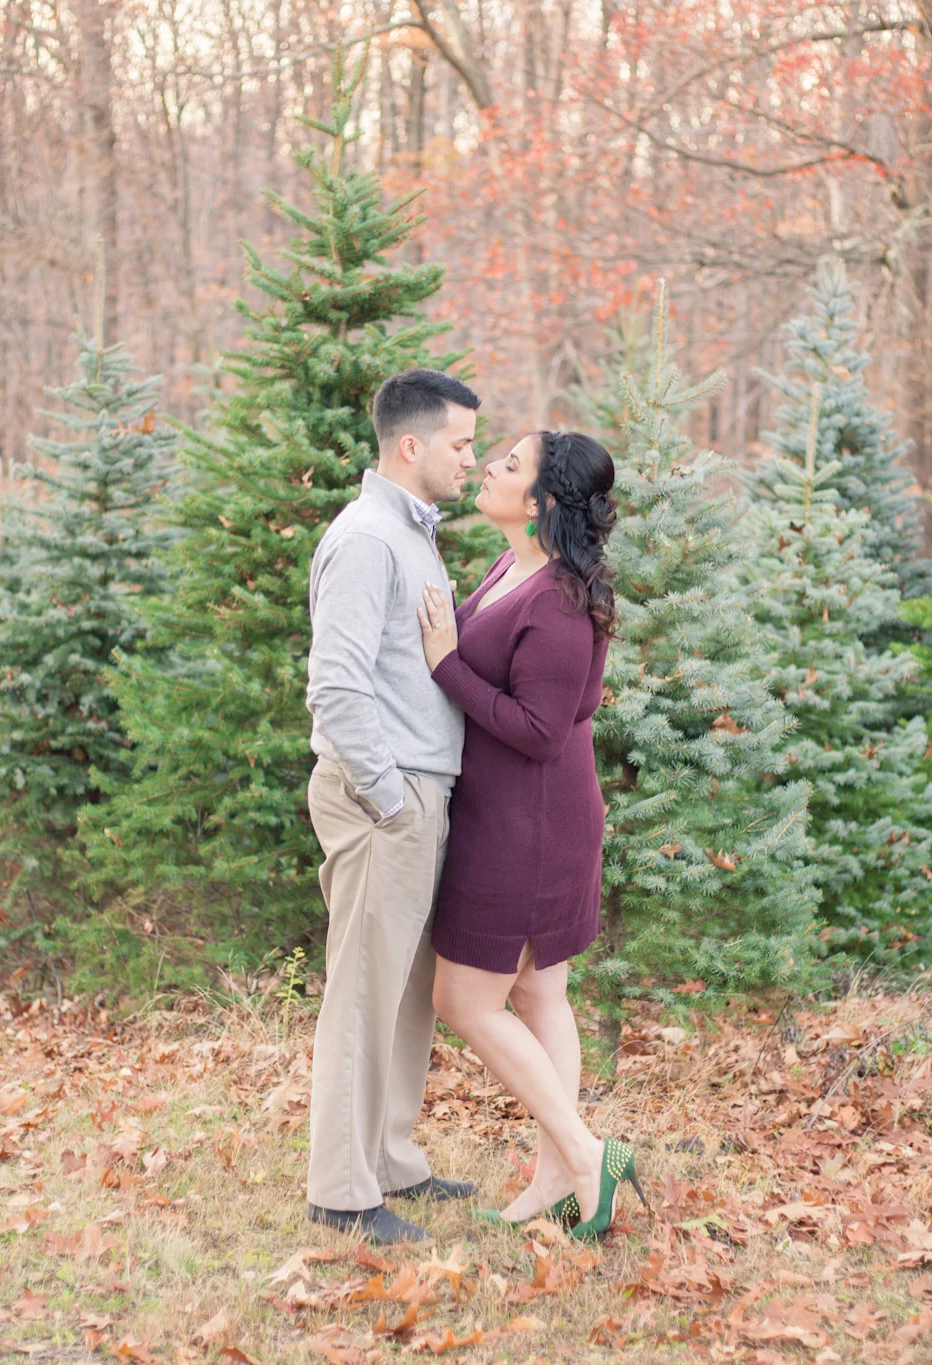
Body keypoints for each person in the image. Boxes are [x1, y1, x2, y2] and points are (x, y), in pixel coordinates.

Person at [415, 429, 645, 1242]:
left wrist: (445, 663)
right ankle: (557, 1178)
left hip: (532, 828)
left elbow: (541, 729)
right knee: (540, 991)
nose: (488, 467)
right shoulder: (514, 566)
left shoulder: (556, 603)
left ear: (544, 502)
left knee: (464, 998)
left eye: (509, 465)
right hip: (515, 813)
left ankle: (586, 1155)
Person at [303, 368, 482, 1245]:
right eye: (461, 443)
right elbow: (335, 686)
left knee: (407, 991)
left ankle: (392, 1159)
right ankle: (342, 1190)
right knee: (365, 992)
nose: (472, 460)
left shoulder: (413, 531)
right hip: (387, 796)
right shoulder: (369, 538)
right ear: (410, 445)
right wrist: (387, 798)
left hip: (420, 790)